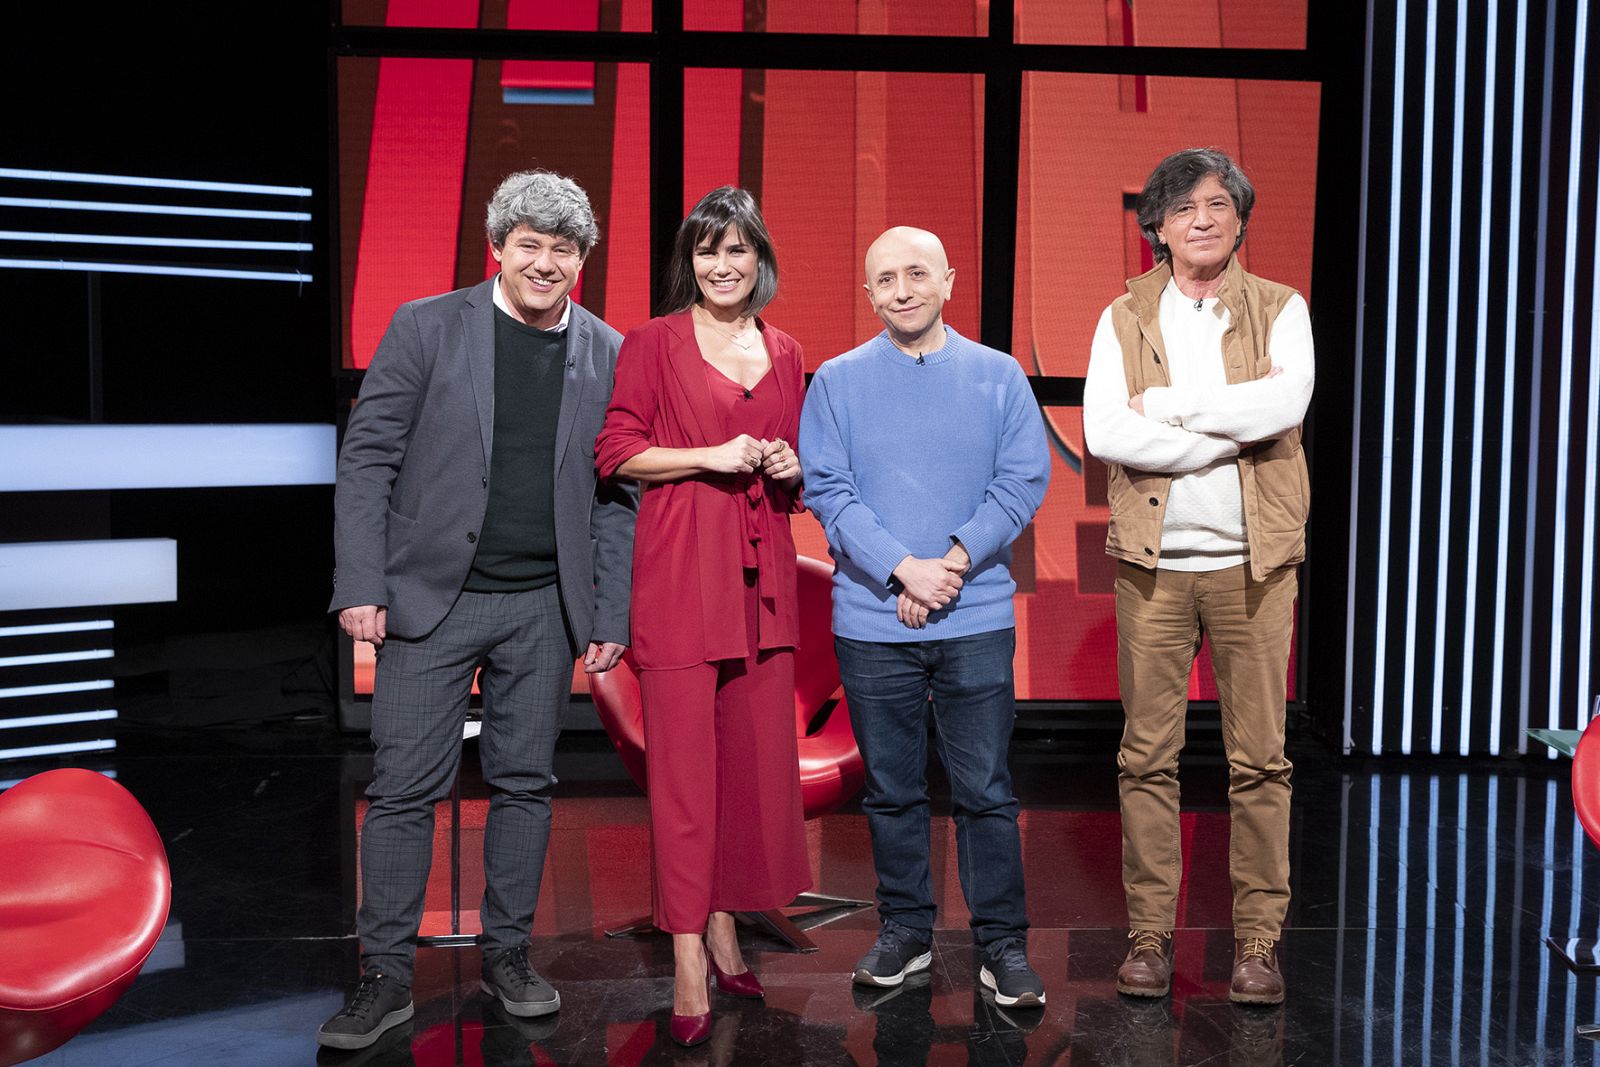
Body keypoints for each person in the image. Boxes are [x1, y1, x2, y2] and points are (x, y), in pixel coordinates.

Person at [319, 170, 638, 1050]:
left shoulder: (608, 350)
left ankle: (507, 955)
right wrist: (361, 584)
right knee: (402, 793)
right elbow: (369, 458)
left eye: (563, 249)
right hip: (432, 598)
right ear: (496, 247)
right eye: (529, 244)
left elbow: (617, 499)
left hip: (545, 606)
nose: (545, 262)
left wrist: (610, 610)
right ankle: (383, 974)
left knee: (525, 786)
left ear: (582, 260)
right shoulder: (428, 325)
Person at [1081, 147, 1314, 1006]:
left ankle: (1258, 944)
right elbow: (1108, 430)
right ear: (1159, 228)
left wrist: (1171, 408)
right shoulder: (1124, 316)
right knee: (1147, 758)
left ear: (1240, 218)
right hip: (1155, 568)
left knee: (1260, 761)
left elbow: (1283, 407)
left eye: (1218, 204)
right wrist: (1229, 425)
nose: (1203, 219)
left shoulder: (1282, 308)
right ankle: (1148, 936)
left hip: (1255, 566)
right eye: (1183, 209)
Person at [799, 226, 1051, 1009]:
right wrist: (903, 569)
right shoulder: (837, 382)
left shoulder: (999, 375)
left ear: (948, 279)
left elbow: (1021, 480)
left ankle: (1002, 943)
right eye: (885, 279)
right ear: (868, 293)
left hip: (973, 613)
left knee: (985, 789)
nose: (902, 289)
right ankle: (905, 929)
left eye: (916, 273)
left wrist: (947, 564)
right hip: (874, 620)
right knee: (893, 790)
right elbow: (830, 492)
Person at [594, 186, 810, 1047]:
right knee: (684, 777)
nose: (723, 266)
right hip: (683, 575)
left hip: (762, 587)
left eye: (739, 251)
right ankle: (688, 953)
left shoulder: (788, 349)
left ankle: (725, 922)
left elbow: (795, 478)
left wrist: (788, 467)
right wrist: (707, 456)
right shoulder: (654, 341)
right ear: (689, 262)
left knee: (747, 772)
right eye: (707, 251)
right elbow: (616, 450)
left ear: (762, 262)